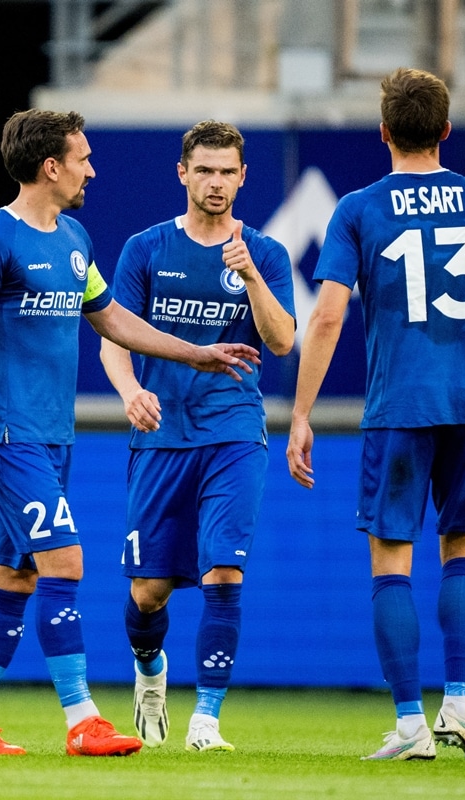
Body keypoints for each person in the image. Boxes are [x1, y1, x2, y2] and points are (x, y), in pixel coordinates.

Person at [0, 109, 261, 757]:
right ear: (50, 166)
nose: (92, 168)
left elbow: (112, 320)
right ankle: (82, 718)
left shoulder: (73, 239)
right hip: (9, 435)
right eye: (82, 158)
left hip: (54, 436)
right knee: (65, 560)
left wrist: (193, 354)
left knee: (15, 573)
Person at [286, 68, 465, 762]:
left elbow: (330, 314)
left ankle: (410, 726)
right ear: (446, 130)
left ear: (384, 131)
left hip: (399, 406)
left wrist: (301, 412)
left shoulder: (360, 209)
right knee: (462, 548)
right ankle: (459, 702)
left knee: (390, 560)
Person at [100, 120, 295, 753]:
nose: (215, 182)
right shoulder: (146, 249)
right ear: (182, 173)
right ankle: (149, 672)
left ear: (243, 177)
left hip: (235, 434)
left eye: (227, 171)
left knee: (224, 572)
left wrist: (253, 277)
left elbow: (284, 340)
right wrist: (131, 392)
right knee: (148, 592)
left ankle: (206, 721)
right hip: (161, 440)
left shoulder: (263, 252)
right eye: (203, 170)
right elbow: (114, 335)